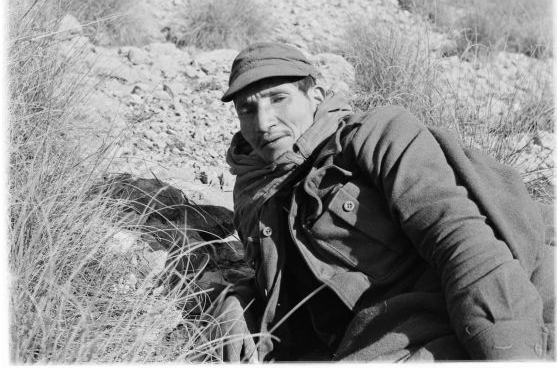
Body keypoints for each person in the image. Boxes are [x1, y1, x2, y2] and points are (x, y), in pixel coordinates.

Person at [213, 41, 554, 362]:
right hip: (381, 341)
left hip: (501, 301)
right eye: (248, 109)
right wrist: (238, 302)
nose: (263, 122)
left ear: (314, 95)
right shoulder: (252, 197)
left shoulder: (376, 134)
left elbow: (461, 240)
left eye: (278, 98)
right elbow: (283, 287)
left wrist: (510, 352)